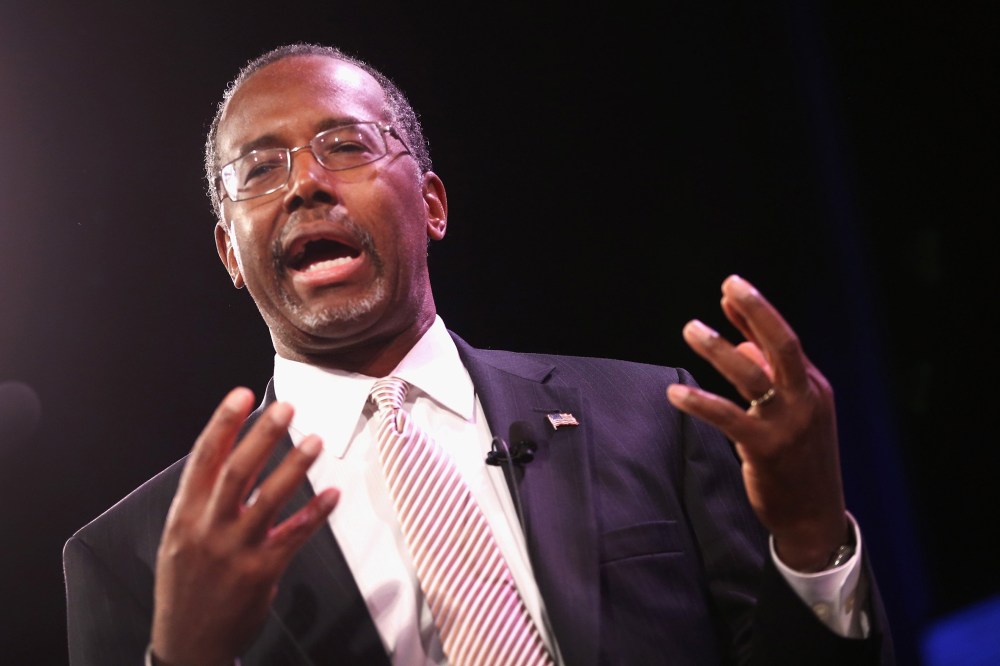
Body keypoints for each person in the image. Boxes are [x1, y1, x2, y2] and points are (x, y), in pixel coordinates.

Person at [63, 42, 895, 665]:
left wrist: (812, 538)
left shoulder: (652, 422)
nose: (306, 183)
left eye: (347, 146)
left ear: (432, 205)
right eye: (260, 167)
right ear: (230, 256)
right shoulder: (138, 553)